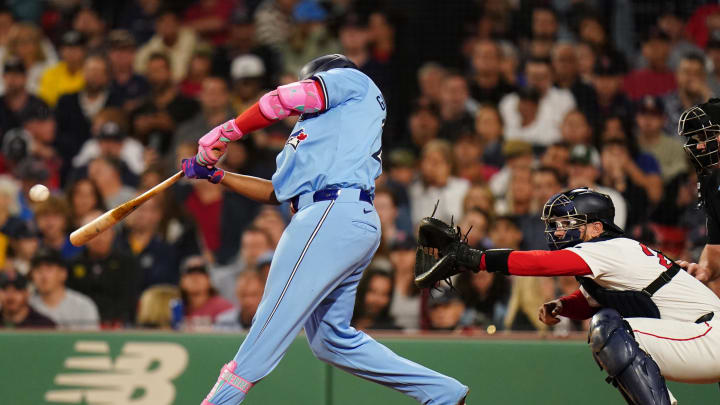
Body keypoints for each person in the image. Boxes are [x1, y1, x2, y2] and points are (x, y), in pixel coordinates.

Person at [181, 54, 468, 405]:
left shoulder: (352, 81)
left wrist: (228, 131)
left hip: (332, 213)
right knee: (331, 340)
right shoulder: (320, 134)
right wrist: (216, 174)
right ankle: (442, 393)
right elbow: (277, 193)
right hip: (343, 218)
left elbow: (280, 100)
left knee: (270, 321)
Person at [415, 188, 720, 404]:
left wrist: (476, 258)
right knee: (607, 322)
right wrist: (563, 305)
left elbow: (543, 264)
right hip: (698, 336)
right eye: (556, 225)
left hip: (708, 335)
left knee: (609, 329)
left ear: (597, 227)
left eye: (567, 224)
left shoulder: (611, 247)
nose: (558, 232)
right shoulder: (609, 259)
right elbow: (592, 300)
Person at [675, 99, 720, 284]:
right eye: (698, 140)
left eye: (707, 136)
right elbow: (716, 250)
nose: (700, 147)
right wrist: (705, 270)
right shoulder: (713, 182)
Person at [28, 247, 100, 330]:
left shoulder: (83, 306)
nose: (44, 276)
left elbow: (91, 341)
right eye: (38, 270)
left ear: (63, 273)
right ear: (31, 275)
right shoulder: (27, 306)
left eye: (49, 269)